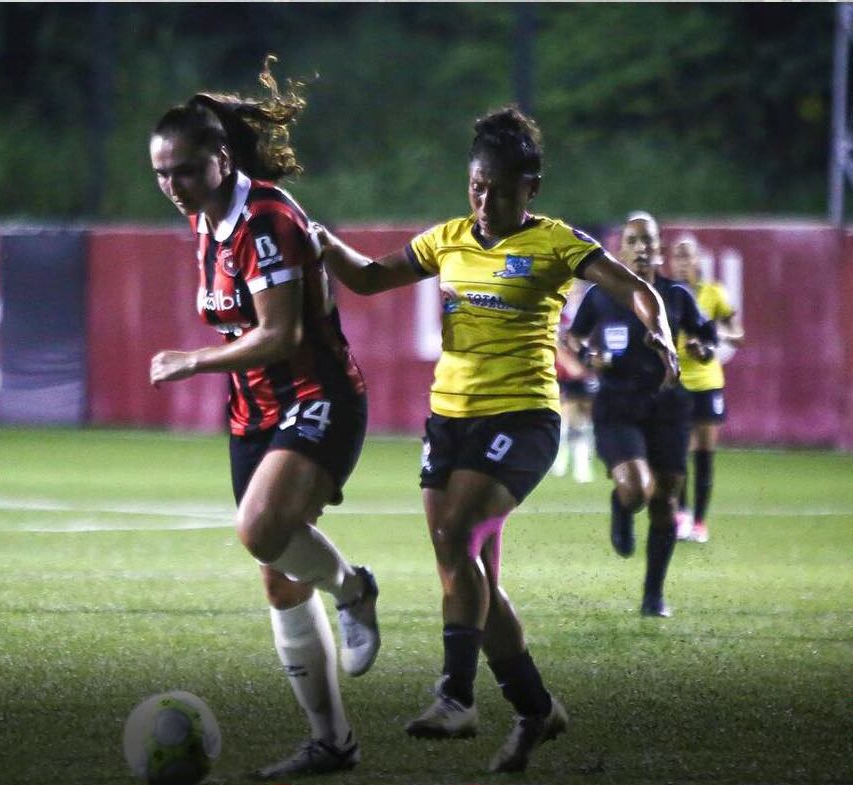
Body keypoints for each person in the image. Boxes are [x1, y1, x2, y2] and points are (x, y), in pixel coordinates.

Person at [314, 107, 678, 773]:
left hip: (522, 418)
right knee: (463, 565)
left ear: (529, 188)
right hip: (448, 419)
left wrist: (659, 330)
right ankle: (535, 707)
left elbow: (633, 289)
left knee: (457, 536)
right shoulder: (448, 239)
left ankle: (455, 697)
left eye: (500, 191)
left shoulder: (556, 243)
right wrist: (321, 242)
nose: (483, 202)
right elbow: (367, 277)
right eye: (476, 187)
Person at [146, 58, 379, 779]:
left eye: (185, 171)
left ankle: (354, 588)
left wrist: (192, 360)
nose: (173, 186)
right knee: (278, 577)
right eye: (161, 174)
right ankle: (332, 743)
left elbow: (282, 336)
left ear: (221, 160)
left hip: (318, 397)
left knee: (258, 529)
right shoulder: (205, 220)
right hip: (254, 413)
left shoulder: (266, 218)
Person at [566, 213, 717, 618]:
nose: (641, 248)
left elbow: (707, 338)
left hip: (667, 406)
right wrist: (588, 356)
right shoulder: (602, 295)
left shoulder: (677, 295)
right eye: (633, 241)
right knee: (637, 489)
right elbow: (573, 337)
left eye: (648, 240)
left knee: (665, 500)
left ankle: (653, 595)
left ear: (659, 247)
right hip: (617, 405)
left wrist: (701, 349)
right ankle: (622, 504)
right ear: (620, 250)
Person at [670, 236, 744, 544]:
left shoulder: (713, 292)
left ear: (698, 261)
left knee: (704, 453)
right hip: (675, 381)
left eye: (688, 256)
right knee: (676, 452)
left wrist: (711, 336)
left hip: (707, 381)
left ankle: (700, 522)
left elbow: (738, 334)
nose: (683, 262)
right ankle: (681, 515)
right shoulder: (667, 294)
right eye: (678, 257)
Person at [551, 289, 599, 483]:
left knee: (584, 419)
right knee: (564, 416)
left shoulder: (590, 313)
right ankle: (559, 461)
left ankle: (581, 465)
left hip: (586, 371)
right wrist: (572, 366)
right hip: (564, 373)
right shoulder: (559, 317)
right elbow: (557, 344)